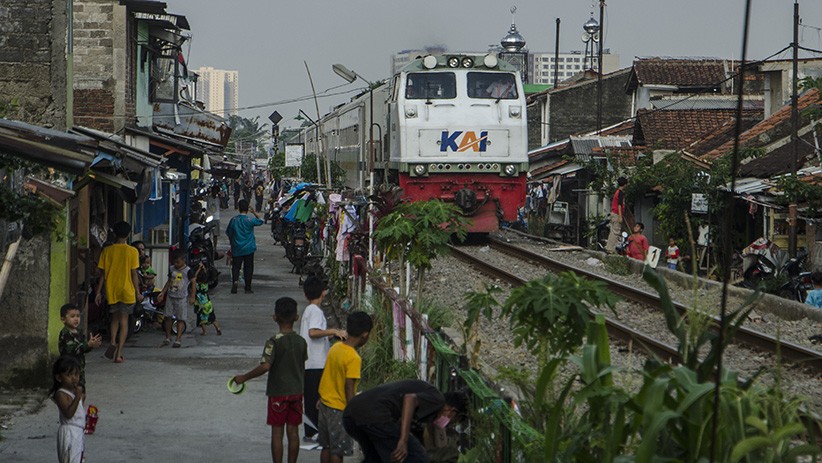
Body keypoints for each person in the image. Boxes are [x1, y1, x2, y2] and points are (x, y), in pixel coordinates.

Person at [233, 297, 308, 463]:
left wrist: (244, 377)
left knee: (277, 433)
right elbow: (302, 365)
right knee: (293, 432)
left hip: (278, 393)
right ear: (296, 317)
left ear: (275, 317)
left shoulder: (273, 342)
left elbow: (266, 366)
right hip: (296, 392)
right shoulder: (301, 342)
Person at [343, 380, 467, 463]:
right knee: (417, 458)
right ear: (452, 411)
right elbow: (409, 399)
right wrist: (403, 441)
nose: (448, 424)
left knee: (375, 459)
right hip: (376, 415)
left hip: (351, 415)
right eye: (453, 421)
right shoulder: (438, 399)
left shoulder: (427, 407)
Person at [317, 311, 373, 463]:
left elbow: (327, 374)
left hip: (324, 404)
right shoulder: (354, 358)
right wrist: (352, 410)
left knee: (326, 446)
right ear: (365, 335)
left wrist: (321, 397)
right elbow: (350, 387)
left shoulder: (335, 348)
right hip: (339, 408)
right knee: (338, 450)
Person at [299, 276, 347, 443]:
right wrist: (334, 331)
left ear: (305, 295)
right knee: (316, 399)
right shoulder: (316, 312)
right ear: (323, 293)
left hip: (309, 361)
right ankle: (313, 433)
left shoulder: (308, 310)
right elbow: (313, 332)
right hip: (316, 362)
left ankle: (311, 431)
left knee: (311, 398)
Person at [95, 221, 142, 364]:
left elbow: (102, 274)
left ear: (114, 233)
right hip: (127, 290)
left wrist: (98, 292)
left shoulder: (107, 251)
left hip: (112, 290)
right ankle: (119, 353)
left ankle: (113, 341)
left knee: (114, 319)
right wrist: (138, 292)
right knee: (124, 321)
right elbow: (134, 274)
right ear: (128, 234)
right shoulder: (132, 251)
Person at [58, 303, 102, 391]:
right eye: (72, 316)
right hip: (68, 369)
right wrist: (87, 345)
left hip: (79, 368)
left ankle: (80, 404)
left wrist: (91, 345)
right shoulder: (65, 333)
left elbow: (83, 349)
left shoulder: (79, 331)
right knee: (70, 392)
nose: (76, 319)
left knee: (81, 390)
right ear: (63, 319)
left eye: (78, 316)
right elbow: (72, 350)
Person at [51, 356, 86, 463]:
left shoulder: (74, 393)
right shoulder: (61, 394)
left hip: (78, 431)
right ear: (59, 377)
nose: (74, 378)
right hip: (69, 433)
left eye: (76, 374)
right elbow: (69, 414)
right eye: (69, 375)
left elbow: (78, 412)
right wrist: (78, 397)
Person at [157, 249, 195, 348]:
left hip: (181, 297)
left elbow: (193, 283)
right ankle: (168, 337)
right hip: (170, 296)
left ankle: (178, 339)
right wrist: (162, 292)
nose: (176, 264)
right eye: (175, 262)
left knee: (180, 318)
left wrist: (192, 296)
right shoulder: (172, 269)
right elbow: (169, 281)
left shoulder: (188, 271)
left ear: (183, 260)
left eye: (178, 262)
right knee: (167, 317)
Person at [226, 198, 264, 294]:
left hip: (237, 248)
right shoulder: (249, 220)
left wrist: (232, 242)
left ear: (238, 208)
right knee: (248, 267)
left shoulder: (234, 220)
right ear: (247, 209)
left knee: (236, 267)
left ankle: (235, 281)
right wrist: (254, 212)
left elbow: (229, 233)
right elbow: (261, 220)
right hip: (249, 248)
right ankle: (248, 287)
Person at [192, 263, 222, 335]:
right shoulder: (206, 284)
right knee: (212, 317)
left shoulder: (197, 284)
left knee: (202, 319)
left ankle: (205, 332)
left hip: (200, 304)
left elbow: (194, 277)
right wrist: (203, 268)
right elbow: (205, 274)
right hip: (208, 303)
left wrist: (199, 268)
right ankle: (218, 328)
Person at [606, 177, 628, 253]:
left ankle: (609, 247)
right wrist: (620, 216)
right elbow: (619, 205)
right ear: (625, 184)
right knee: (616, 231)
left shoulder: (617, 192)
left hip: (614, 213)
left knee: (613, 231)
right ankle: (611, 249)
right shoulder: (620, 193)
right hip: (616, 213)